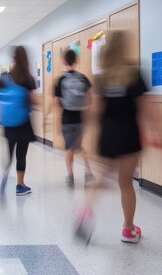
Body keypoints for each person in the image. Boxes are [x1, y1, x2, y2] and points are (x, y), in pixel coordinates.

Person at [75, 31, 161, 244]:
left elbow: (93, 110)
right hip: (129, 135)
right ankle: (128, 229)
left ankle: (84, 213)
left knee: (102, 176)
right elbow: (146, 109)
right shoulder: (134, 74)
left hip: (108, 135)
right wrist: (156, 132)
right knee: (125, 182)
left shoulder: (102, 77)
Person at [0, 46, 37, 196]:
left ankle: (4, 175)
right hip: (23, 122)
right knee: (21, 154)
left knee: (9, 152)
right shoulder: (27, 78)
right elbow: (32, 101)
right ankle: (20, 185)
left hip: (8, 123)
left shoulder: (3, 78)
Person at [53, 49, 94, 187]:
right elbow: (90, 98)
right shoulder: (83, 78)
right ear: (75, 61)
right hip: (80, 118)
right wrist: (87, 113)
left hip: (67, 119)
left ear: (64, 61)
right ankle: (88, 171)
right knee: (79, 146)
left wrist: (51, 116)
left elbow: (56, 101)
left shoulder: (61, 80)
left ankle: (70, 176)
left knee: (69, 148)